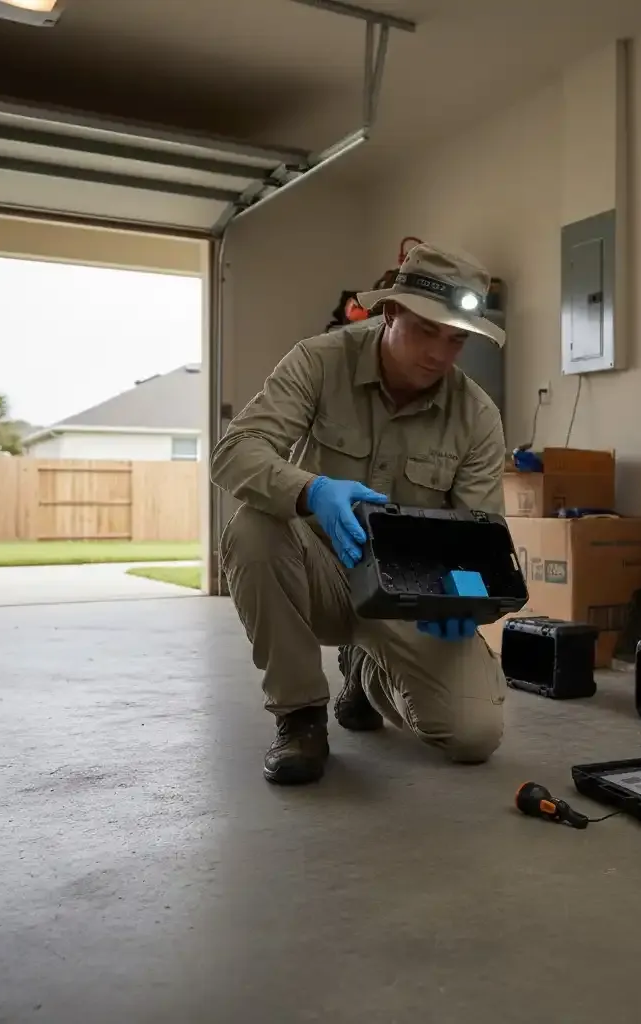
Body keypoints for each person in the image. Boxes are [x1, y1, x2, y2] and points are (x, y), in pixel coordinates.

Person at [211, 243, 509, 785]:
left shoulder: (477, 416)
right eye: (426, 331)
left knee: (473, 736)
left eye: (457, 340)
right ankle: (299, 716)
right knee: (253, 527)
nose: (440, 355)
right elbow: (235, 453)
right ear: (390, 311)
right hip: (318, 568)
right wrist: (312, 490)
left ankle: (368, 672)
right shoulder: (318, 361)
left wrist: (467, 600)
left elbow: (479, 538)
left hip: (409, 593)